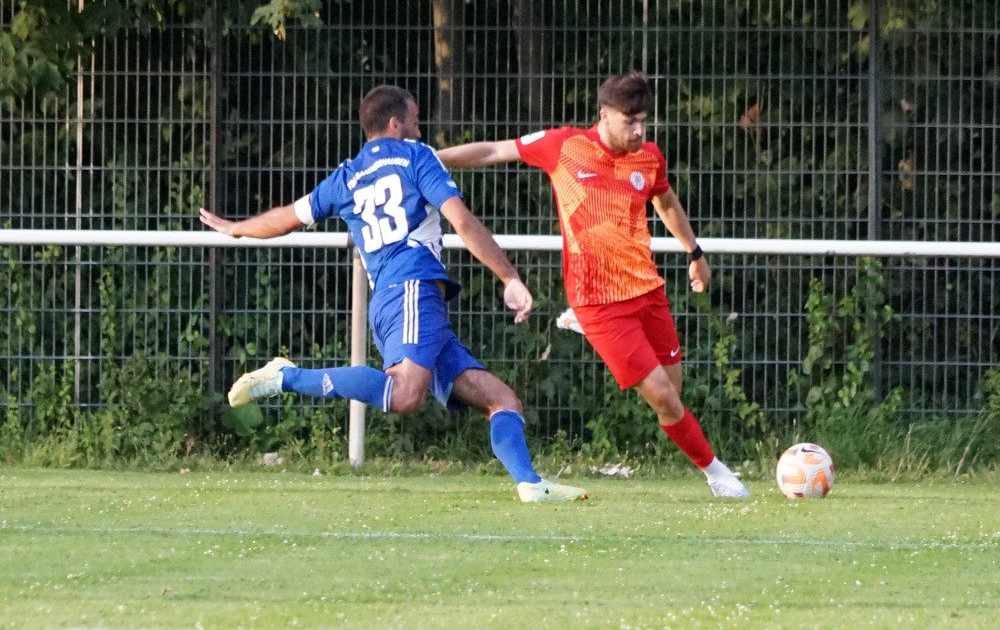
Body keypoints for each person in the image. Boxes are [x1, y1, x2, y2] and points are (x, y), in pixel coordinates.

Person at [200, 85, 587, 504]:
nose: (420, 129)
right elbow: (462, 220)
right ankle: (285, 377)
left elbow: (286, 217)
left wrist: (237, 227)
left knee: (501, 400)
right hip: (412, 291)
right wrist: (508, 276)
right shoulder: (417, 157)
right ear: (394, 123)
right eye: (415, 121)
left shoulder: (347, 175)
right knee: (403, 395)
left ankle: (530, 484)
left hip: (394, 302)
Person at [437, 71, 749, 498]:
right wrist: (430, 158)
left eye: (644, 120)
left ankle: (709, 464)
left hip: (647, 292)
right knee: (663, 397)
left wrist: (694, 253)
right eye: (629, 121)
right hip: (598, 301)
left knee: (672, 393)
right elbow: (494, 150)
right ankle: (720, 476)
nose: (639, 130)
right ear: (603, 115)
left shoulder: (649, 157)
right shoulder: (564, 147)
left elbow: (666, 201)